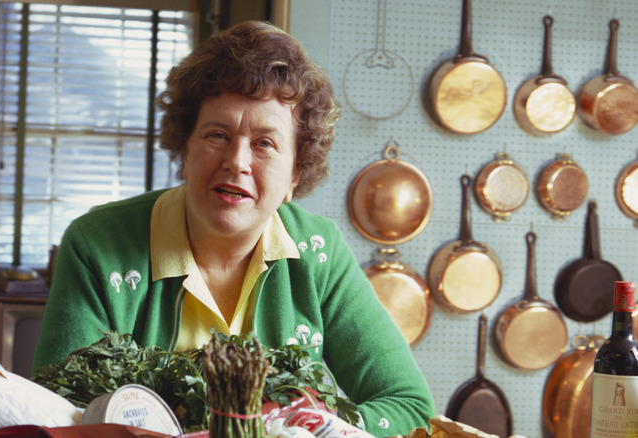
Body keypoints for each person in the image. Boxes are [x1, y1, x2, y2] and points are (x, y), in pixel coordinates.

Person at [32, 20, 434, 437]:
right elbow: (55, 410)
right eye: (217, 134)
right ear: (185, 149)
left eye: (264, 143)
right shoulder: (97, 243)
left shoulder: (320, 253)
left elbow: (410, 408)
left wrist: (311, 428)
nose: (237, 161)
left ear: (296, 172)